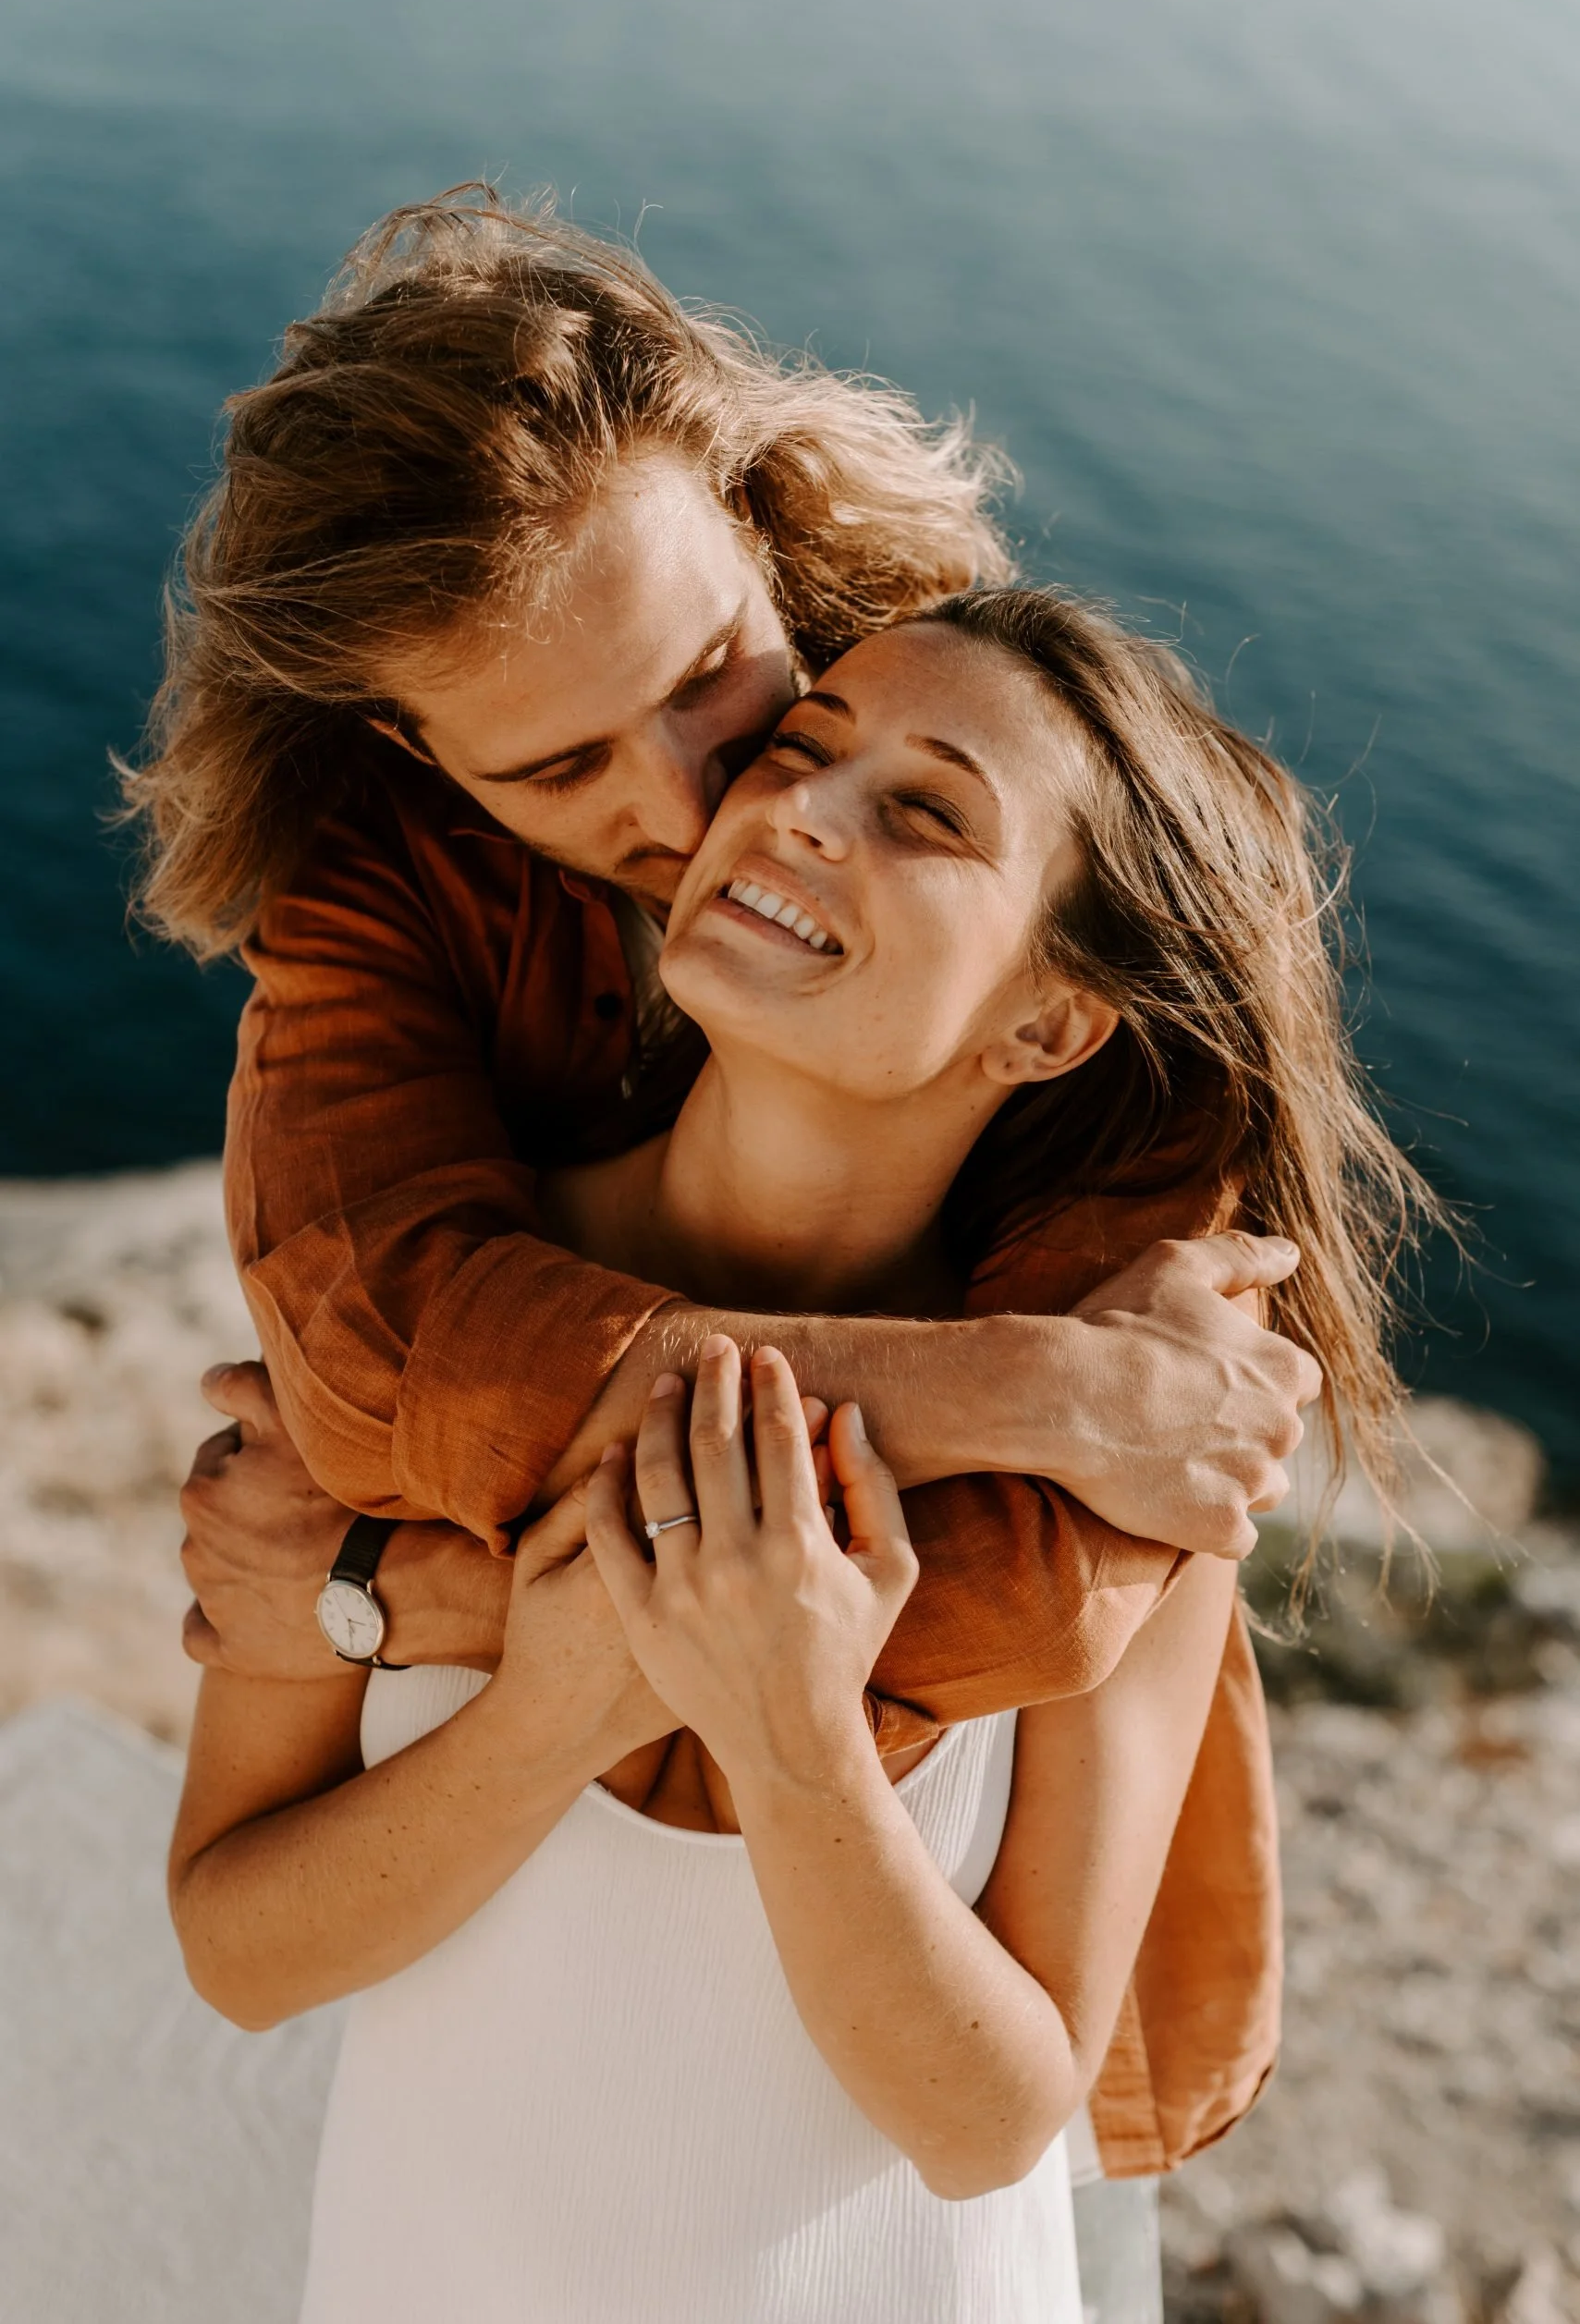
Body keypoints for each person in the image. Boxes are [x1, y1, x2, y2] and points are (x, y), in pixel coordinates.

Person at [131, 189, 1329, 2293]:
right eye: (563, 764)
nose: (715, 804)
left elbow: (994, 2078)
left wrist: (441, 1599)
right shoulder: (402, 1208)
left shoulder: (1130, 1353)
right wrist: (558, 1657)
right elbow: (399, 1365)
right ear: (429, 763)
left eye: (723, 688)